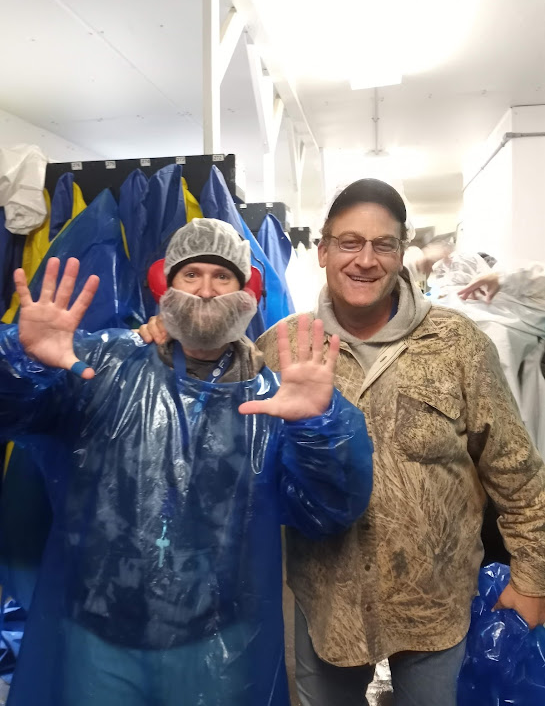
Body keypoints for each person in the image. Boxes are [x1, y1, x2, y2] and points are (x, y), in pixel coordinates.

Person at [140, 180, 545, 706]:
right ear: (323, 250)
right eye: (350, 242)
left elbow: (517, 471)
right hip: (330, 607)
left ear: (401, 253)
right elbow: (209, 392)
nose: (366, 260)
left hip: (438, 605)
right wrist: (174, 331)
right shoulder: (279, 347)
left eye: (383, 245)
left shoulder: (458, 344)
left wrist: (533, 577)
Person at [0, 218, 374, 706]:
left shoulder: (275, 401)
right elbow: (14, 412)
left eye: (222, 277)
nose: (206, 290)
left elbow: (328, 510)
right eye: (191, 274)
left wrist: (317, 427)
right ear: (166, 286)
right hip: (99, 633)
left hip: (214, 643)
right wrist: (23, 361)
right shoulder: (103, 368)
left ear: (247, 292)